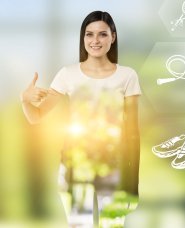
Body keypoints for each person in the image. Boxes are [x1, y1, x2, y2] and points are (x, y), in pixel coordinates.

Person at [20, 11, 141, 227]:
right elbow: (36, 117)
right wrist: (25, 100)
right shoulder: (68, 74)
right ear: (83, 38)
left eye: (102, 34)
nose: (95, 41)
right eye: (89, 34)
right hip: (75, 165)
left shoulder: (127, 75)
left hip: (114, 167)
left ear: (113, 37)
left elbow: (132, 132)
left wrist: (133, 183)